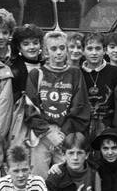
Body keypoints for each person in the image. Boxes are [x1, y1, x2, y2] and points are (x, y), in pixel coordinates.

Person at [26, 30, 91, 167]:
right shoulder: (36, 74)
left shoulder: (75, 73)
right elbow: (30, 107)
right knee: (40, 179)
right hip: (42, 136)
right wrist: (48, 132)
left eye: (62, 48)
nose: (59, 52)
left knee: (67, 179)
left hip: (66, 138)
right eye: (53, 49)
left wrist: (64, 134)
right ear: (45, 52)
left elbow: (80, 107)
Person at [81, 32, 117, 137]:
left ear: (104, 51)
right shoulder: (77, 73)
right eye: (89, 49)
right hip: (82, 127)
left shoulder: (116, 72)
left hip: (108, 128)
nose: (94, 53)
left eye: (98, 49)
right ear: (83, 51)